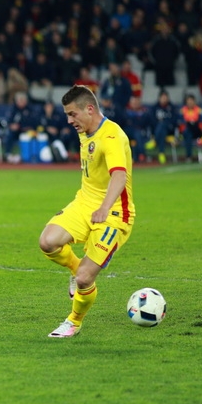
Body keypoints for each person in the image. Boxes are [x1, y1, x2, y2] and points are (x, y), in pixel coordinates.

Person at [39, 85, 135, 338]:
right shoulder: (86, 129)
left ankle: (74, 321)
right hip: (84, 203)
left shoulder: (112, 136)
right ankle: (74, 266)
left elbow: (119, 176)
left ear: (90, 109)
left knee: (84, 279)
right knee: (47, 242)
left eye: (72, 114)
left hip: (113, 213)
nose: (69, 120)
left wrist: (104, 208)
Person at [178, 94, 202, 163]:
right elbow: (180, 122)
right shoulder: (182, 110)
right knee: (188, 133)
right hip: (187, 131)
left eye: (191, 101)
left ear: (194, 102)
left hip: (197, 131)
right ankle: (189, 156)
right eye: (188, 101)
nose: (190, 103)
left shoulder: (199, 110)